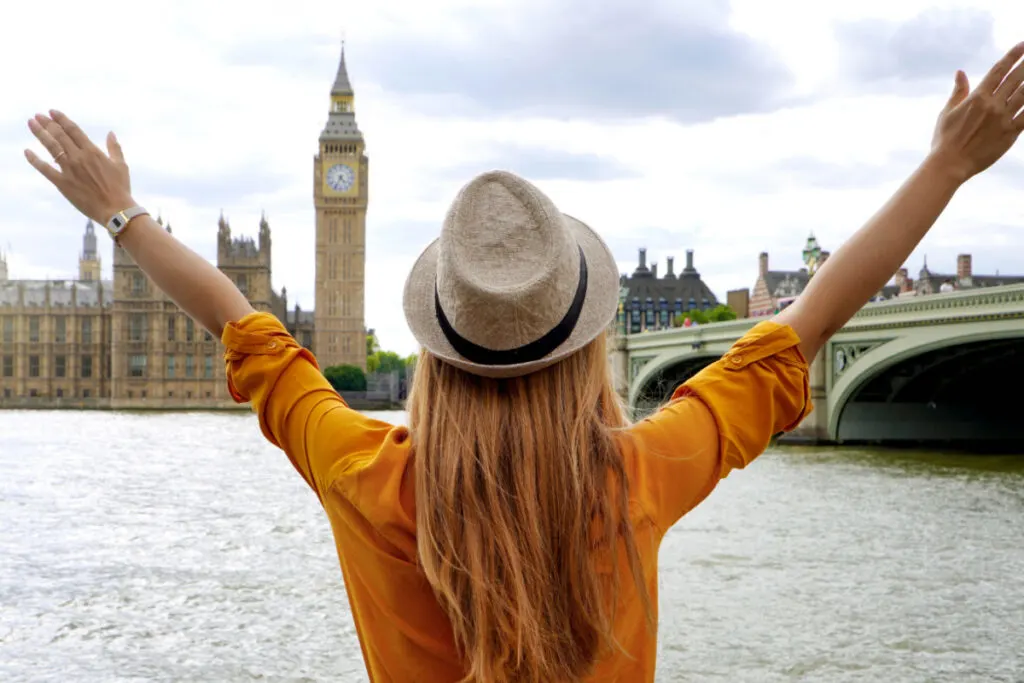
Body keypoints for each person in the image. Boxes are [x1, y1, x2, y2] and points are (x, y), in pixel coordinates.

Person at [24, 43, 1024, 683]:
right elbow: (808, 321)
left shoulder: (363, 471)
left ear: (436, 350)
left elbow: (244, 327)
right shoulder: (639, 475)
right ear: (584, 347)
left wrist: (121, 214)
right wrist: (947, 165)